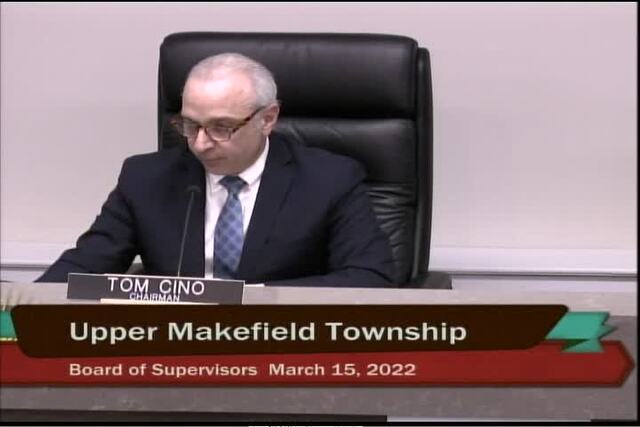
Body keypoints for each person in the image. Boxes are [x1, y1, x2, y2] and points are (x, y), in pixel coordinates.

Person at [37, 53, 396, 287]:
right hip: (171, 349)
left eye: (221, 127)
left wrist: (250, 301)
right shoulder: (146, 179)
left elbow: (369, 277)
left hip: (282, 346)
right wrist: (22, 307)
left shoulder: (329, 179)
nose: (200, 143)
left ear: (268, 119)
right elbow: (84, 267)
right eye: (190, 125)